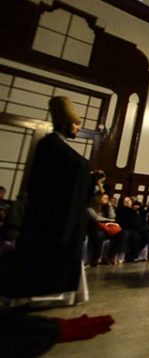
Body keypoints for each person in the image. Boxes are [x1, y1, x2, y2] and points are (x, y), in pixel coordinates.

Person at [0, 97, 91, 305]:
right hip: (51, 214)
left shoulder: (57, 146)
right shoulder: (50, 145)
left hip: (57, 211)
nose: (78, 128)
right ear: (65, 124)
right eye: (76, 125)